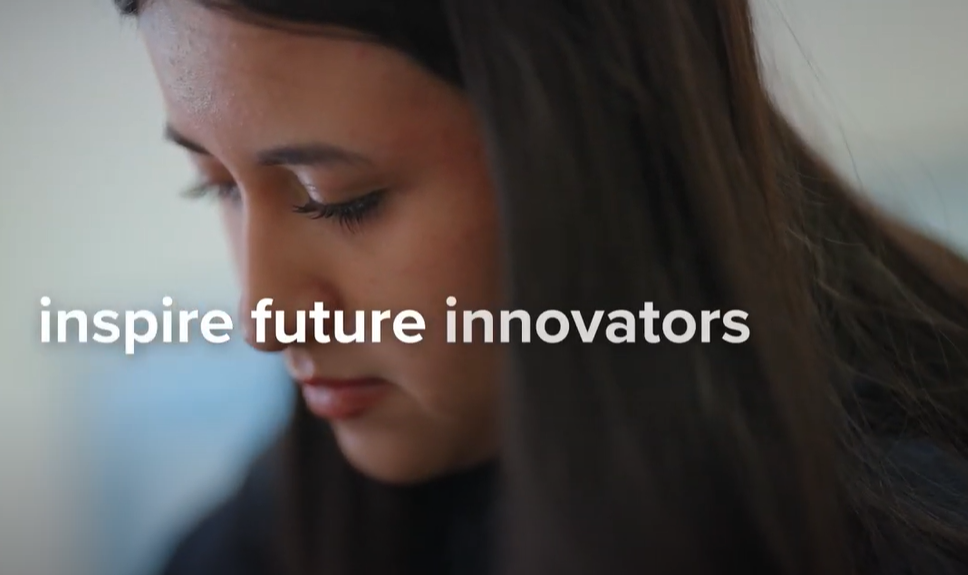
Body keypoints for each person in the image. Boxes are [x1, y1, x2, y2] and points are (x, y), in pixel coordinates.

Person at [114, 1, 968, 574]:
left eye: (338, 200)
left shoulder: (910, 522)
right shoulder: (288, 509)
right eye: (214, 183)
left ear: (598, 147)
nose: (263, 316)